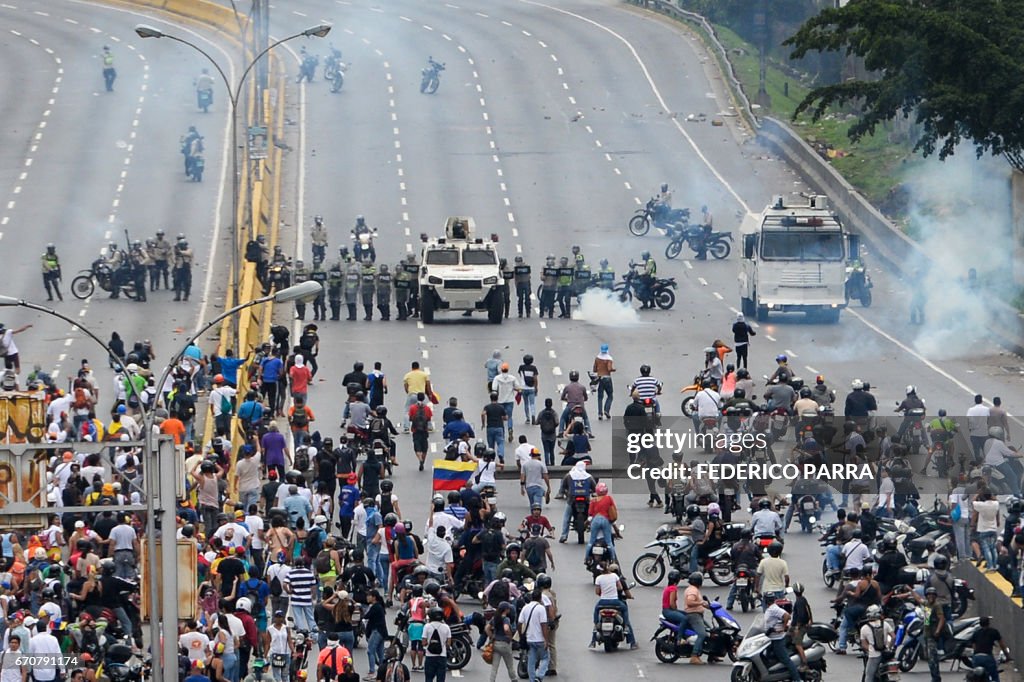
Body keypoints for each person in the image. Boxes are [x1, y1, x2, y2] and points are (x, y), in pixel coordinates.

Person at [764, 598, 803, 681]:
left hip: (778, 639)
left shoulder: (774, 609)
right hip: (771, 639)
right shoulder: (772, 611)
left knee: (786, 660)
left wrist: (784, 628)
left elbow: (787, 616)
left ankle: (797, 679)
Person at [518, 590, 550, 682]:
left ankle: (532, 680)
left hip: (529, 639)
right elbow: (543, 625)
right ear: (540, 598)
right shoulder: (541, 608)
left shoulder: (525, 608)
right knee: (545, 658)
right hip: (539, 639)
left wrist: (521, 636)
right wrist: (546, 639)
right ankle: (539, 676)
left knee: (531, 660)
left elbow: (519, 623)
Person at [859, 604, 893, 682]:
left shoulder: (864, 628)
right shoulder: (885, 624)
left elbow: (864, 644)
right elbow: (893, 637)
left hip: (874, 655)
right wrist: (889, 647)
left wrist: (870, 649)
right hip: (886, 654)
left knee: (869, 676)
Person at [970, 615, 1011, 681]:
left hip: (976, 658)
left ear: (980, 624)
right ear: (989, 623)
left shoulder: (976, 633)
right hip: (987, 657)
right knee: (994, 675)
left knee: (977, 676)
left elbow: (974, 647)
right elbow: (1002, 645)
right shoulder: (994, 632)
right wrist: (1007, 656)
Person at [486, 601, 517, 682]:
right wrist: (510, 636)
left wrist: (492, 636)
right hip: (504, 644)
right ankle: (514, 680)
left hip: (495, 643)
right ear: (506, 610)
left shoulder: (495, 618)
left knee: (494, 667)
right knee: (510, 666)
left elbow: (487, 628)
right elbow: (506, 628)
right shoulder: (506, 619)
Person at [682, 573, 706, 664]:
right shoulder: (692, 591)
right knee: (702, 634)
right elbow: (690, 602)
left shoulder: (692, 589)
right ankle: (694, 656)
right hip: (694, 615)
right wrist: (701, 603)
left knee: (710, 632)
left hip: (696, 614)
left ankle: (712, 655)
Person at [422, 606, 451, 682]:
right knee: (441, 679)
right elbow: (448, 644)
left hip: (430, 656)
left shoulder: (427, 627)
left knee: (428, 678)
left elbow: (424, 643)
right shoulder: (446, 627)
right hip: (442, 657)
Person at [922, 586, 945, 682]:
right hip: (927, 634)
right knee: (930, 658)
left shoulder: (936, 605)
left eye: (932, 595)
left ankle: (936, 678)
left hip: (932, 635)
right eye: (929, 595)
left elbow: (942, 619)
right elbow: (919, 600)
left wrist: (938, 630)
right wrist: (910, 591)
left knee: (932, 659)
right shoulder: (927, 604)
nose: (930, 597)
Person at [592, 344, 615, 420]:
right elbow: (609, 368)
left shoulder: (597, 358)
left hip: (600, 379)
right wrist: (613, 369)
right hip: (607, 379)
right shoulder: (609, 359)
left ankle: (600, 414)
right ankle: (606, 410)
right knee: (610, 395)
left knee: (600, 397)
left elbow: (594, 369)